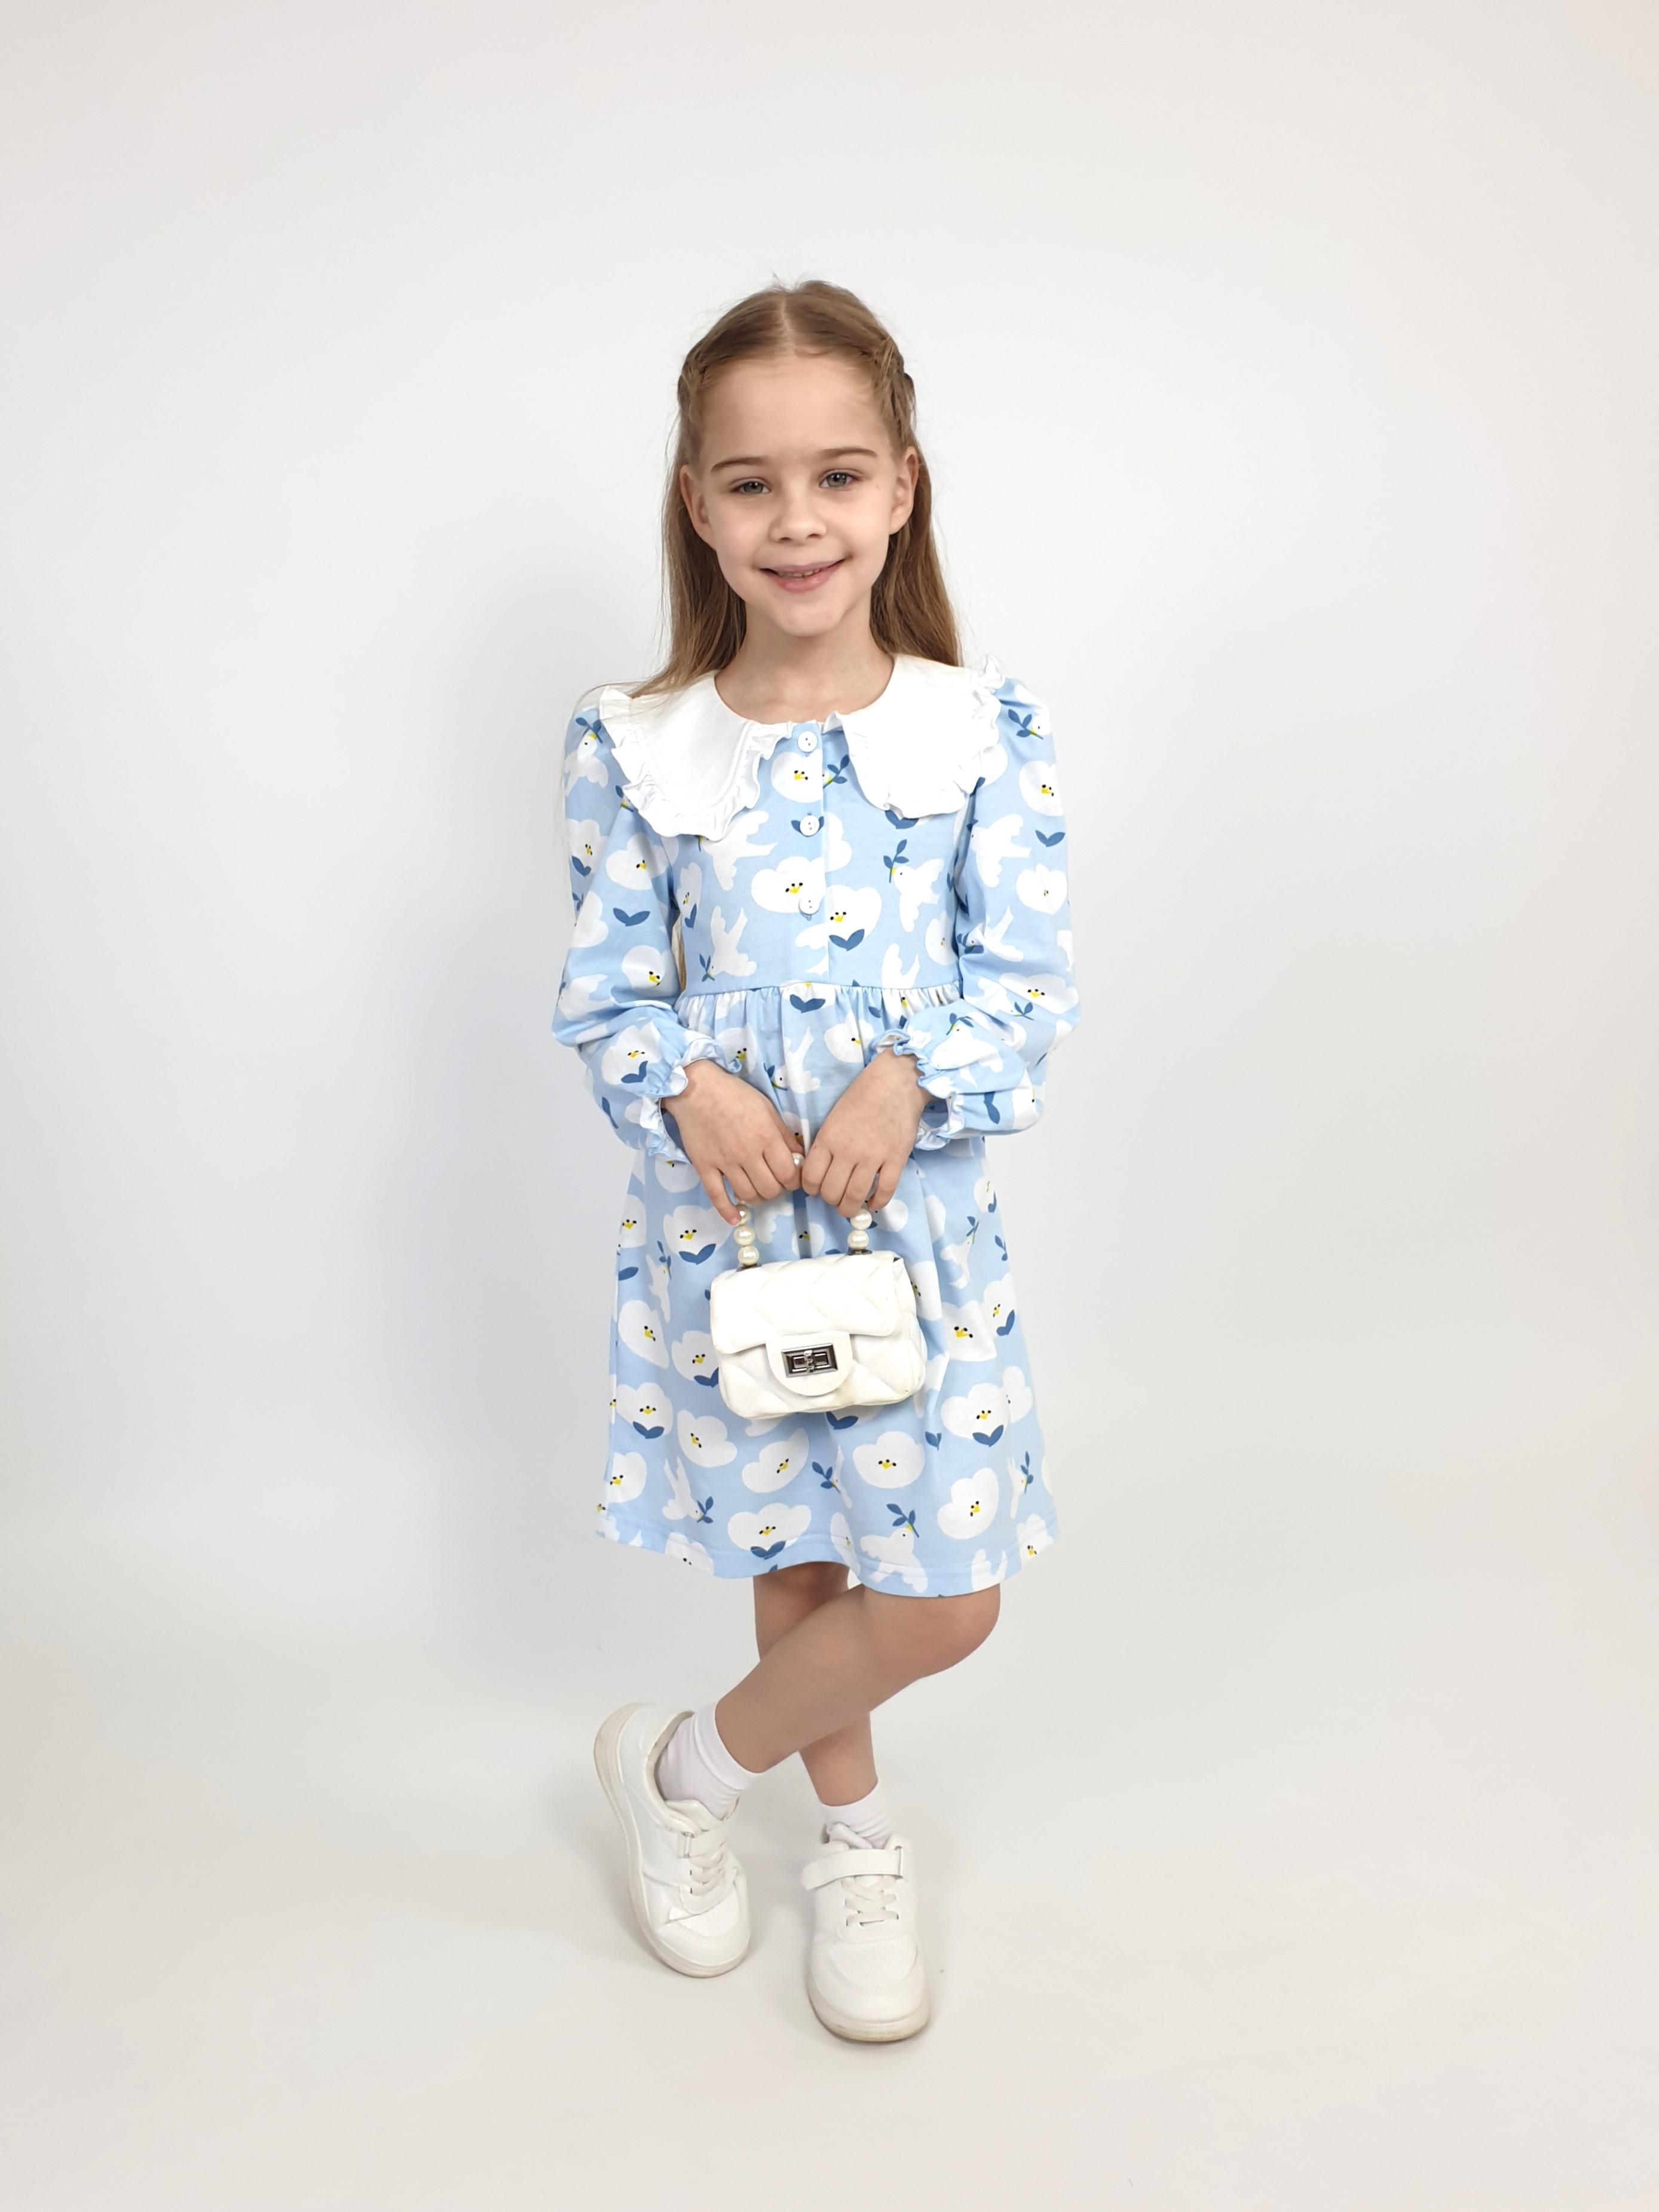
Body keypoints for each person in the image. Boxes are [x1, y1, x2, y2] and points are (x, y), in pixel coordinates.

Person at [552, 278, 1081, 2042]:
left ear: (901, 490)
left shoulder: (980, 731)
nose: (799, 521)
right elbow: (608, 992)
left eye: (838, 476)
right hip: (728, 1232)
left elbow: (1025, 984)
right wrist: (690, 1085)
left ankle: (684, 1776)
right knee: (802, 1557)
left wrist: (906, 1080)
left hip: (909, 1233)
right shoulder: (638, 745)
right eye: (753, 482)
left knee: (943, 1595)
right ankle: (854, 1844)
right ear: (697, 505)